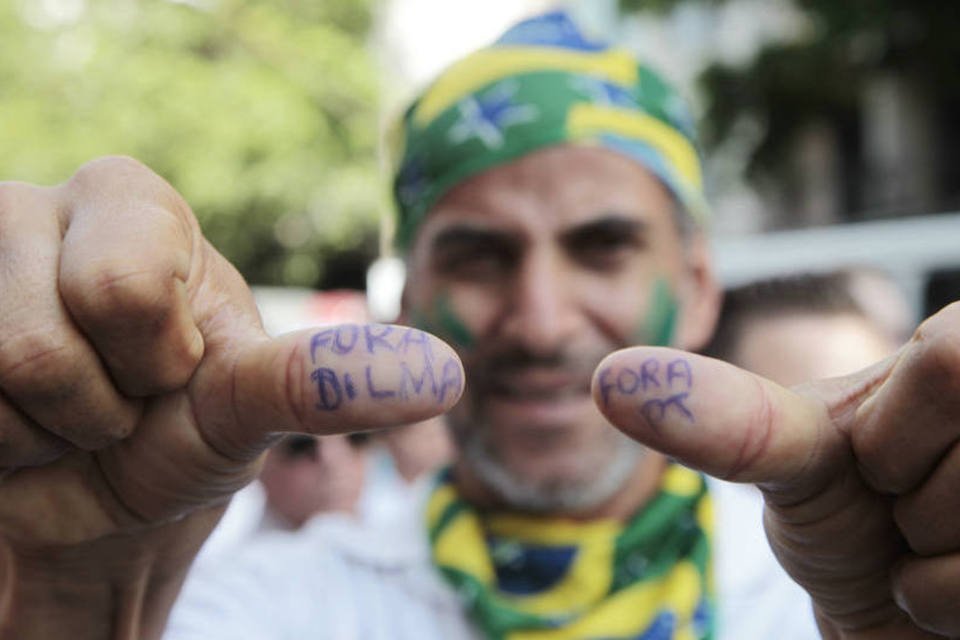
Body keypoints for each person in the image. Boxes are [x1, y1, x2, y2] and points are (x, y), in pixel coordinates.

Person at [1, 10, 959, 640]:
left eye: (603, 246)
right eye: (479, 256)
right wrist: (75, 602)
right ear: (409, 301)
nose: (540, 323)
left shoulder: (844, 586)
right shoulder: (269, 607)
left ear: (700, 284)